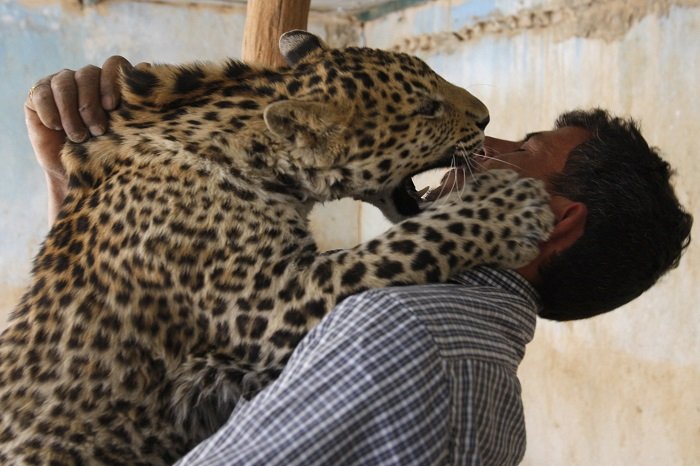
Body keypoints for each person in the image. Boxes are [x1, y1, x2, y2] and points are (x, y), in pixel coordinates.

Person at [24, 58, 692, 465]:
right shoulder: (482, 380)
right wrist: (76, 184)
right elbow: (152, 372)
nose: (485, 139)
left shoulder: (402, 336)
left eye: (521, 148)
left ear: (556, 221)